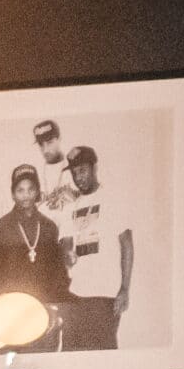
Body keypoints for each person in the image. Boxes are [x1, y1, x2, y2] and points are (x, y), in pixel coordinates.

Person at [57, 144, 132, 349]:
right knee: (72, 354)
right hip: (75, 295)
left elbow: (126, 244)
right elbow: (66, 245)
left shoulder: (112, 200)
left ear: (94, 168)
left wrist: (124, 288)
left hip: (103, 295)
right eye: (74, 173)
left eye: (82, 170)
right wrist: (67, 254)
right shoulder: (70, 206)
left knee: (102, 353)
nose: (78, 177)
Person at [0, 166, 67, 339]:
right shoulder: (0, 228)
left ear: (37, 192)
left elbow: (56, 270)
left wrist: (53, 302)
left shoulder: (48, 227)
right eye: (20, 190)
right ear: (13, 194)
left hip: (43, 305)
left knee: (43, 350)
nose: (26, 195)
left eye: (30, 189)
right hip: (11, 307)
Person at [32, 114, 75, 216]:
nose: (45, 150)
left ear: (59, 139)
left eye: (49, 142)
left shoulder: (74, 167)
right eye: (41, 144)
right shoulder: (35, 173)